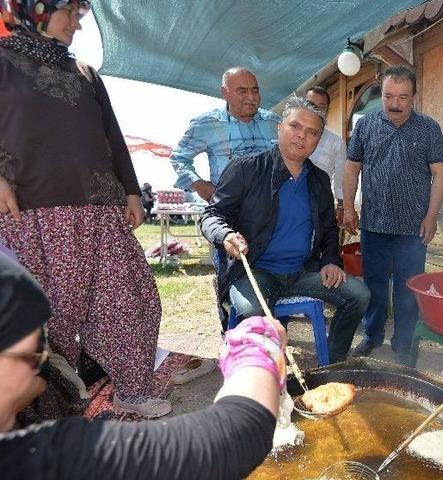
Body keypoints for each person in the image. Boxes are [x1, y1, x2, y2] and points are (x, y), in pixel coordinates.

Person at [0, 1, 170, 417]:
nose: (79, 22)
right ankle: (50, 407)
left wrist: (131, 190)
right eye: (70, 12)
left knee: (131, 296)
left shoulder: (85, 72)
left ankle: (133, 389)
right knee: (50, 315)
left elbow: (111, 134)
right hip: (33, 211)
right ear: (34, 9)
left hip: (101, 208)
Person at [0, 251, 286, 480]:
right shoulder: (41, 460)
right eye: (32, 358)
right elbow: (233, 438)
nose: (40, 373)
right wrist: (257, 349)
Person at [201, 97, 369, 364]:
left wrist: (331, 261)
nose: (302, 136)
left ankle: (334, 363)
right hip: (255, 271)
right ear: (279, 128)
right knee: (254, 316)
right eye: (295, 126)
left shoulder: (319, 180)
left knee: (359, 294)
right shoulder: (246, 168)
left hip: (302, 272)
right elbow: (212, 215)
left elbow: (327, 231)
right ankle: (261, 378)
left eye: (312, 132)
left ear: (318, 139)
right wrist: (225, 235)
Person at [342, 65, 443, 364]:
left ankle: (404, 344)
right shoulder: (365, 126)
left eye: (402, 97)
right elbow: (352, 167)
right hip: (374, 224)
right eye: (388, 96)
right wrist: (349, 206)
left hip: (413, 227)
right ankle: (372, 336)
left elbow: (439, 174)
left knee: (408, 288)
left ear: (414, 96)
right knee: (374, 285)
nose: (394, 104)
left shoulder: (429, 128)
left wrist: (431, 216)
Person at [169, 66, 280, 331]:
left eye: (255, 91)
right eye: (242, 91)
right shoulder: (206, 124)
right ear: (225, 93)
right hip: (227, 217)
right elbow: (179, 157)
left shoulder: (274, 122)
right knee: (228, 276)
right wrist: (200, 185)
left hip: (270, 217)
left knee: (266, 275)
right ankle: (230, 334)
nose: (251, 98)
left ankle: (270, 331)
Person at [305, 86, 347, 218]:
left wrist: (341, 206)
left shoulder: (336, 142)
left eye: (321, 106)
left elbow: (341, 177)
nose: (315, 110)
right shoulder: (292, 136)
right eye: (311, 105)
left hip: (321, 203)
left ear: (327, 110)